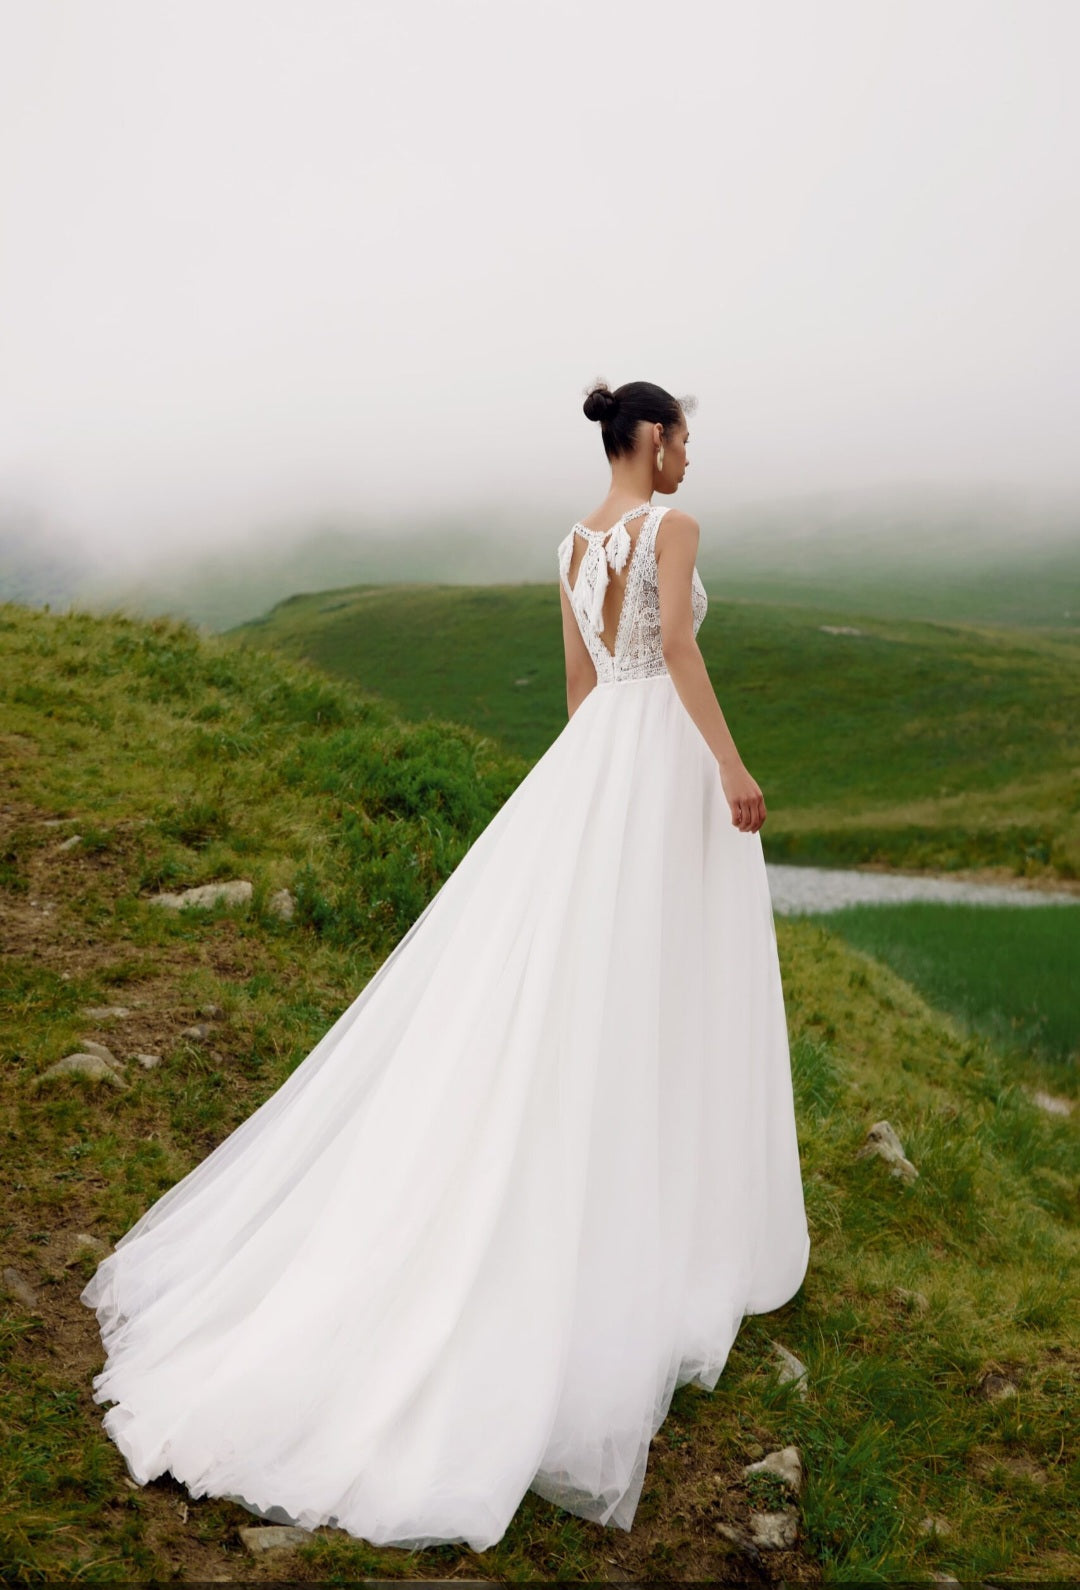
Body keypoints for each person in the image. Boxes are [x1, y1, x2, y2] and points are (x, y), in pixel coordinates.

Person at [80, 377, 811, 1554]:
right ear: (651, 439)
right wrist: (729, 769)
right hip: (660, 761)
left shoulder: (572, 542)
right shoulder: (668, 528)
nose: (691, 458)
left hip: (589, 777)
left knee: (578, 991)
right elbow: (673, 646)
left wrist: (584, 807)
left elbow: (583, 692)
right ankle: (655, 1206)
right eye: (684, 437)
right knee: (657, 995)